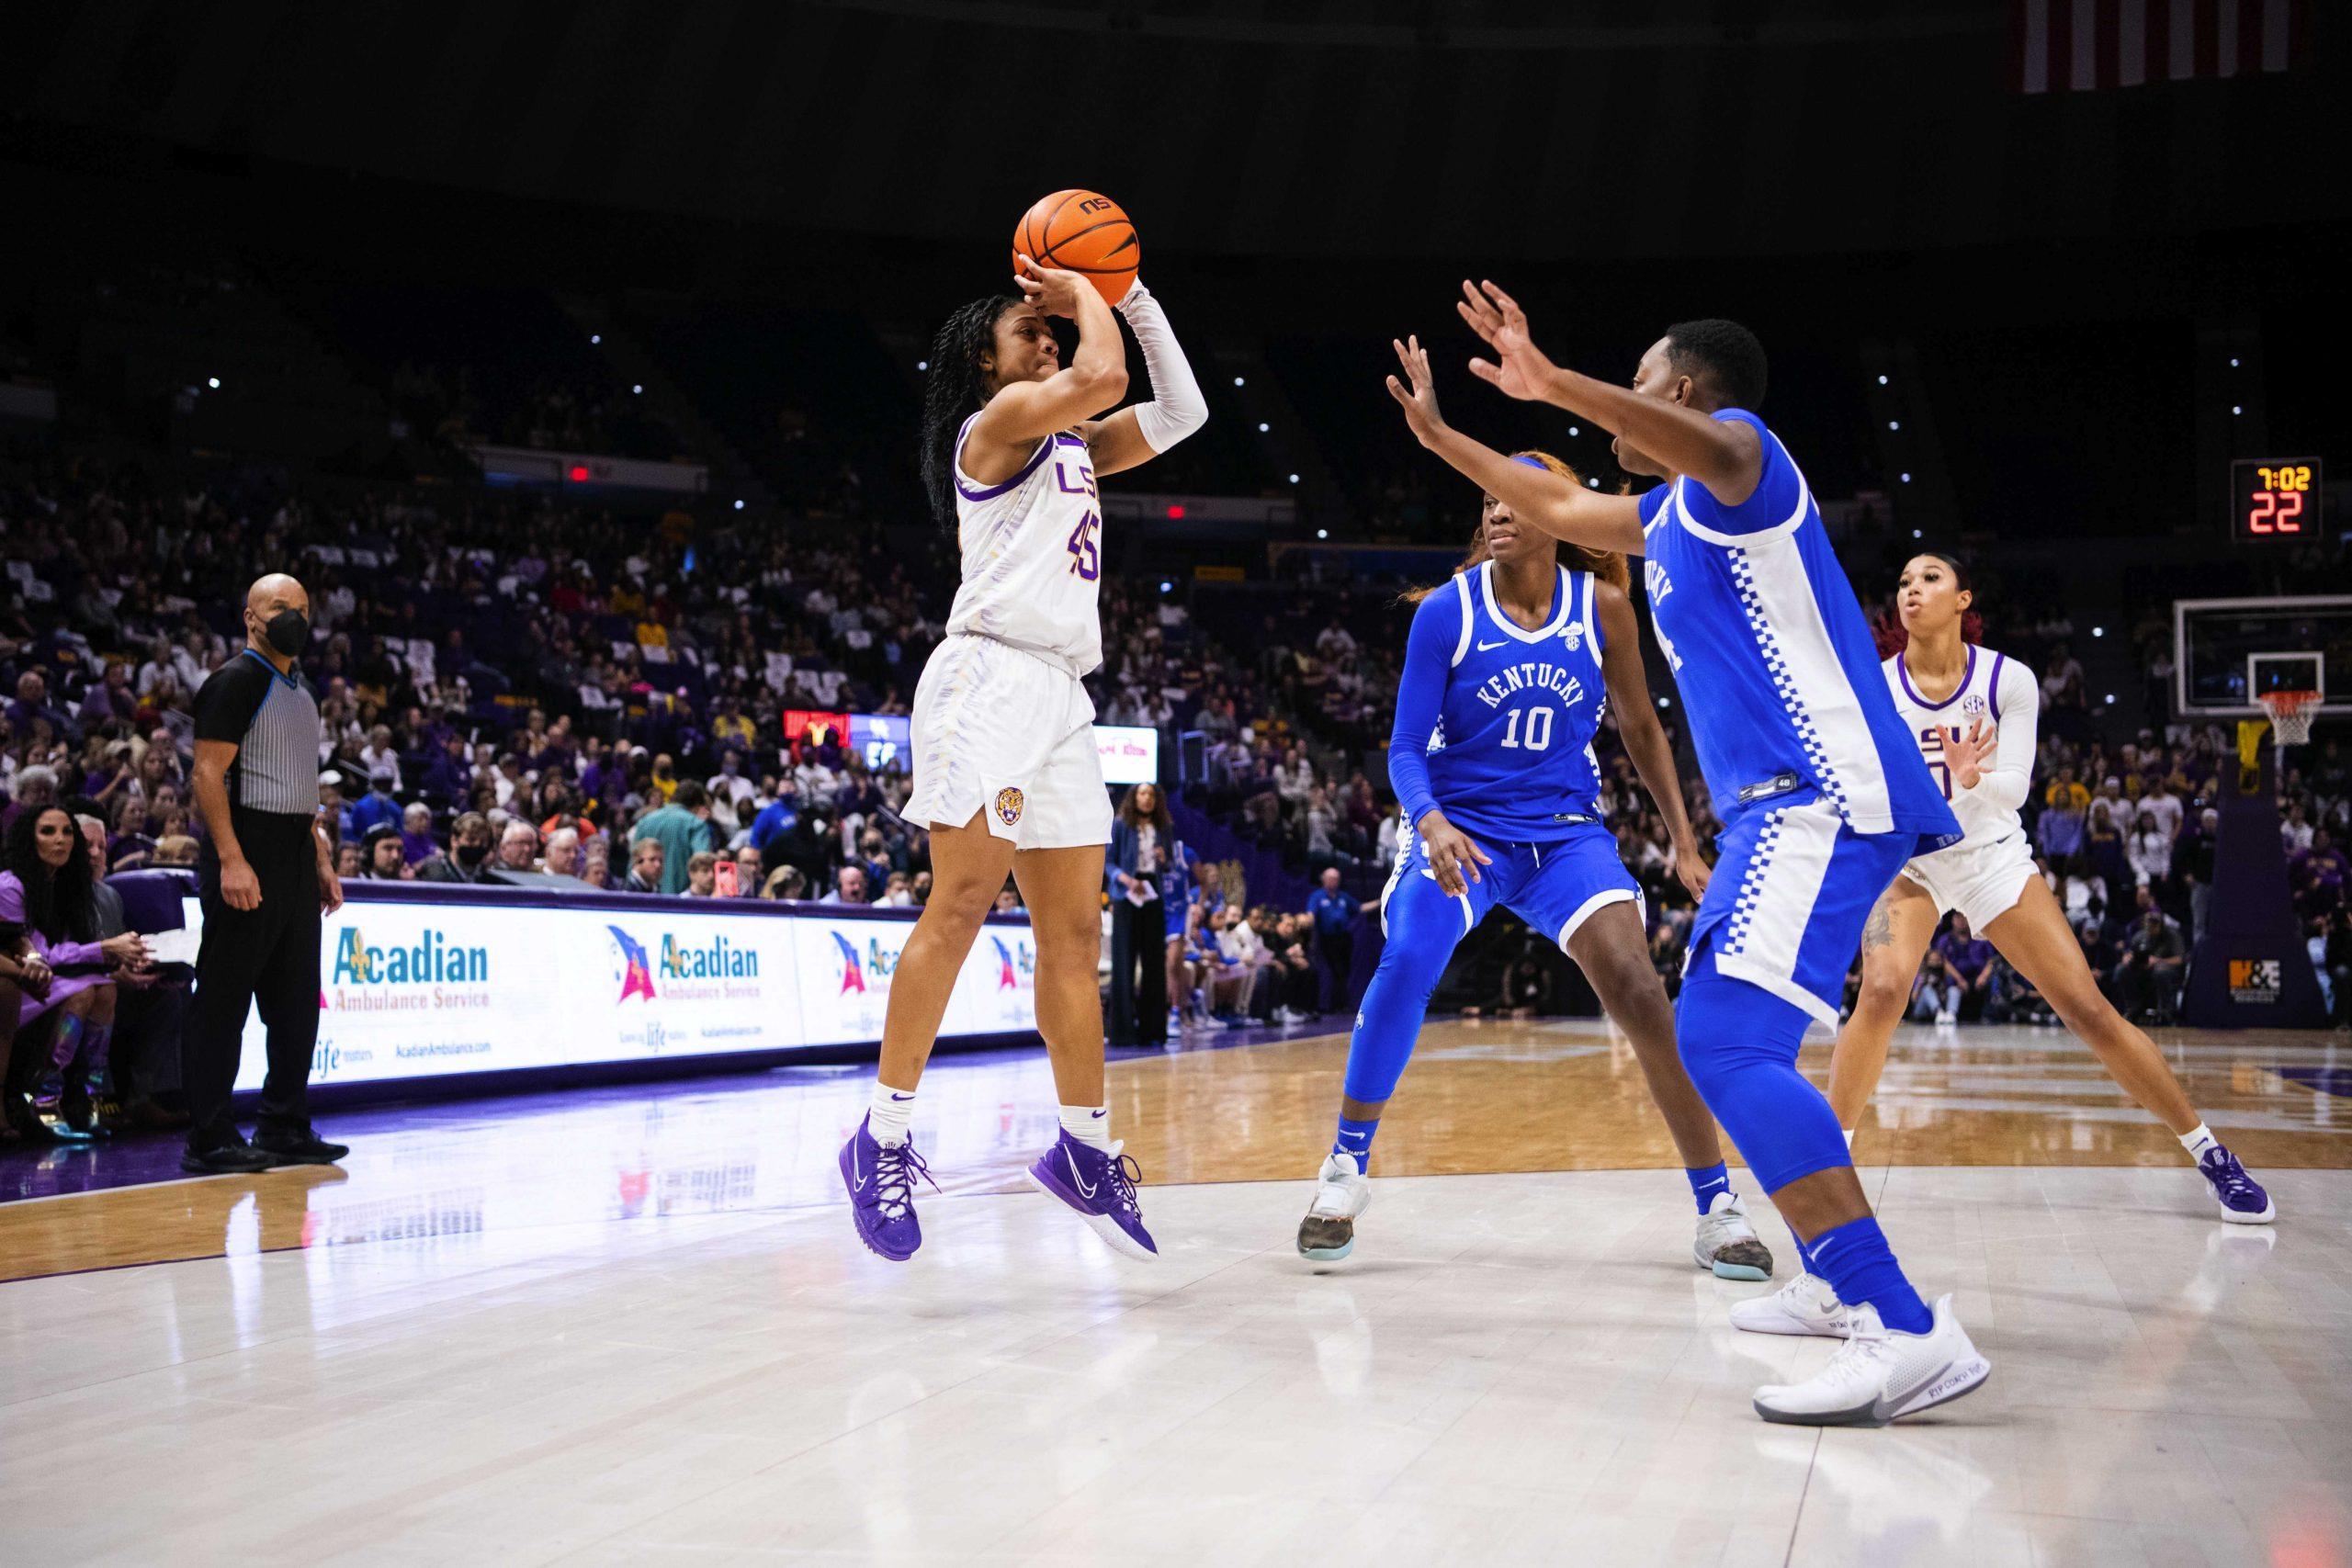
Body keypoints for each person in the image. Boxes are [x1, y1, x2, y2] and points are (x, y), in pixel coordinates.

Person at [1433, 291, 1986, 1424]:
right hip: (1774, 810)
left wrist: (1548, 381)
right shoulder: (1672, 519)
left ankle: (1897, 1323)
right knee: (1743, 1043)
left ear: (1679, 390)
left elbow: (1703, 445)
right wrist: (1447, 438)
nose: (1617, 408)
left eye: (1636, 382)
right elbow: (1557, 500)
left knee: (1720, 1040)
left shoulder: (1746, 468)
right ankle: (1839, 1284)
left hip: (1819, 793)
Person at [1292, 428, 1769, 1283]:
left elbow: (1641, 727)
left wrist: (1685, 839)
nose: (1499, 509)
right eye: (1489, 499)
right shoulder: (1447, 609)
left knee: (1639, 989)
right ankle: (1345, 1169)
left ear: (1559, 513)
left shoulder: (1605, 607)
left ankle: (1717, 1203)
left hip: (1564, 834)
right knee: (1406, 957)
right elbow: (1403, 747)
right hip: (1464, 830)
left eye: (1517, 496)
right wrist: (1431, 821)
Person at [839, 249, 1204, 1265]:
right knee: (957, 908)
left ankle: (1083, 1150)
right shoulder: (991, 428)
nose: (1046, 335)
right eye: (1025, 332)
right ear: (984, 364)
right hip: (988, 680)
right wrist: (1087, 297)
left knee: (1074, 934)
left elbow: (1181, 413)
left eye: (1049, 328)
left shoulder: (1076, 442)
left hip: (1059, 696)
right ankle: (880, 1136)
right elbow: (1101, 376)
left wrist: (1129, 295)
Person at [1827, 553, 2271, 1221]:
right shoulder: (1878, 685)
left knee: (2087, 1008)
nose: (1912, 589)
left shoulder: (2011, 679)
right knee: (1884, 990)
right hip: (1910, 861)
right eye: (1903, 583)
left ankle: (2211, 1152)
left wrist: (1970, 776)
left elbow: (2016, 789)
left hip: (1991, 859)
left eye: (1929, 579)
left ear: (1961, 598)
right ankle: (1827, 1171)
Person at [183, 573, 349, 1174]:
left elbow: (302, 788)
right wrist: (230, 857)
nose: (294, 617)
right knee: (224, 999)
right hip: (246, 844)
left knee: (298, 1000)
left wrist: (321, 856)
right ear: (250, 615)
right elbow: (207, 774)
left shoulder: (302, 690)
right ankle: (208, 1136)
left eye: (302, 608)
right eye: (281, 607)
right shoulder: (236, 680)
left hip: (294, 852)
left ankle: (283, 1123)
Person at [0, 805, 152, 1140]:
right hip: (16, 985)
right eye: (48, 832)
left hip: (46, 982)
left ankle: (87, 1100)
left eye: (67, 832)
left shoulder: (68, 887)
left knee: (105, 989)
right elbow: (40, 954)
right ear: (29, 839)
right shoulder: (11, 886)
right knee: (83, 991)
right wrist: (105, 949)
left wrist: (117, 959)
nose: (61, 840)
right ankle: (43, 1101)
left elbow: (67, 954)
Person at [1104, 782, 1171, 1047]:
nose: (1147, 799)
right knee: (1124, 962)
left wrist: (1164, 859)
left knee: (1154, 963)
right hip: (1126, 894)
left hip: (1152, 893)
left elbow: (1171, 866)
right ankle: (1121, 1031)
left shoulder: (1163, 827)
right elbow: (1108, 861)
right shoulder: (1121, 824)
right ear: (1134, 797)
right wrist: (1125, 880)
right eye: (1143, 794)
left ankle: (1152, 1030)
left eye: (1152, 794)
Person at [631, 778, 712, 896]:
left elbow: (633, 865)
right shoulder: (696, 824)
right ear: (697, 806)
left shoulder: (645, 821)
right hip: (681, 903)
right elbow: (702, 863)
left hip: (644, 901)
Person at [1304, 866, 1355, 1013]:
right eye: (1331, 878)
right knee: (1334, 970)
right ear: (1323, 879)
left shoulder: (1343, 897)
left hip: (1344, 939)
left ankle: (1342, 1005)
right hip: (1328, 939)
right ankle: (1329, 1005)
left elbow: (1359, 908)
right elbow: (1311, 913)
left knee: (1344, 972)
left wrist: (1380, 902)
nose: (1334, 881)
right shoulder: (1317, 896)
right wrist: (1307, 920)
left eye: (1336, 879)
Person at [416, 811, 498, 884]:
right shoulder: (435, 874)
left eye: (483, 842)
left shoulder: (489, 878)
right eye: (471, 840)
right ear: (454, 841)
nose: (477, 845)